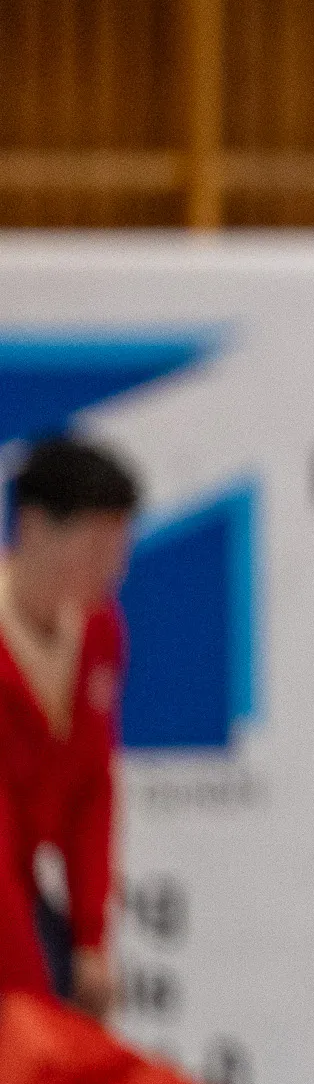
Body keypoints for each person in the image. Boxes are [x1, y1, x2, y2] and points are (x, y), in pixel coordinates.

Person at [0, 436, 138, 1019]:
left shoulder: (99, 631)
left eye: (120, 546)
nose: (113, 567)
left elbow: (90, 790)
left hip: (19, 889)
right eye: (96, 545)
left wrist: (90, 939)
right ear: (34, 527)